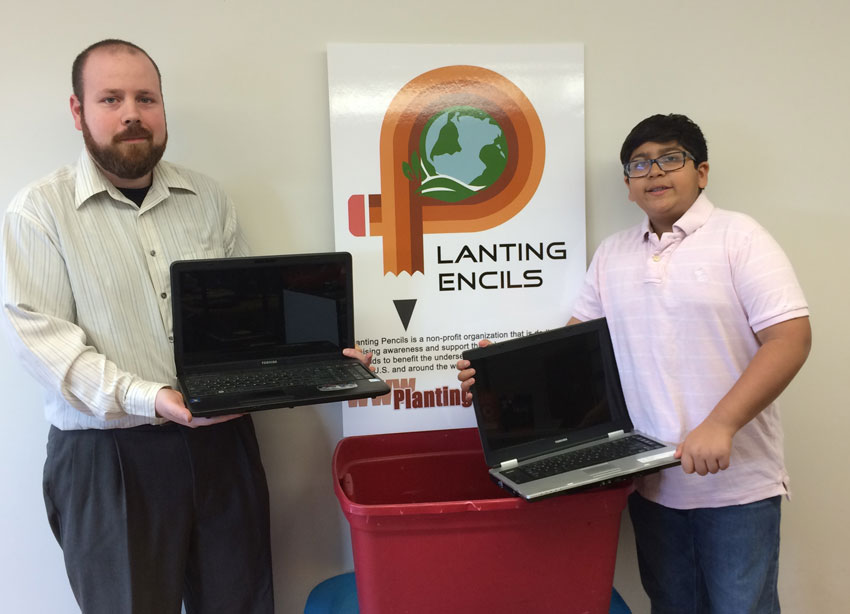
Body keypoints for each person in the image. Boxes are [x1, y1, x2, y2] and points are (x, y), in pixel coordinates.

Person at [458, 114, 811, 613]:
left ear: (702, 172)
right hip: (652, 481)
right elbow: (571, 354)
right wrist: (498, 369)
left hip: (737, 487)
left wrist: (721, 423)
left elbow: (790, 339)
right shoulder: (613, 254)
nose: (654, 172)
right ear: (627, 185)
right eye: (639, 164)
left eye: (671, 158)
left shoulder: (741, 238)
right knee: (671, 606)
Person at [0, 39, 275, 613]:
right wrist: (152, 398)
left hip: (222, 444)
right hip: (108, 461)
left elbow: (247, 320)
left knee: (241, 604)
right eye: (111, 98)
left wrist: (305, 358)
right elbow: (49, 348)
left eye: (146, 97)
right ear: (78, 111)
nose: (132, 113)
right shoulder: (38, 213)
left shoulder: (207, 200)